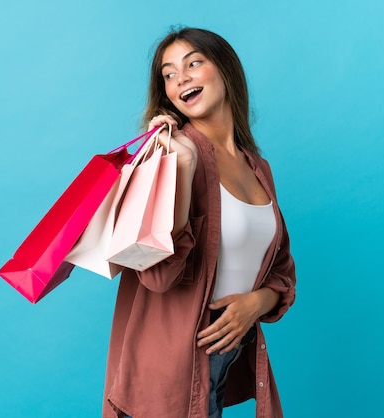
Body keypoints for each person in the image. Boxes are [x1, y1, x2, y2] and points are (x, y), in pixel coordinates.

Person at [103, 27, 296, 418]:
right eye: (169, 74)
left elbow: (282, 271)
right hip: (167, 369)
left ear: (225, 70)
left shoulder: (259, 169)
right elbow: (156, 276)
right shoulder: (170, 158)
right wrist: (184, 167)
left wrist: (255, 303)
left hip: (223, 354)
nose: (181, 79)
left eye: (193, 63)